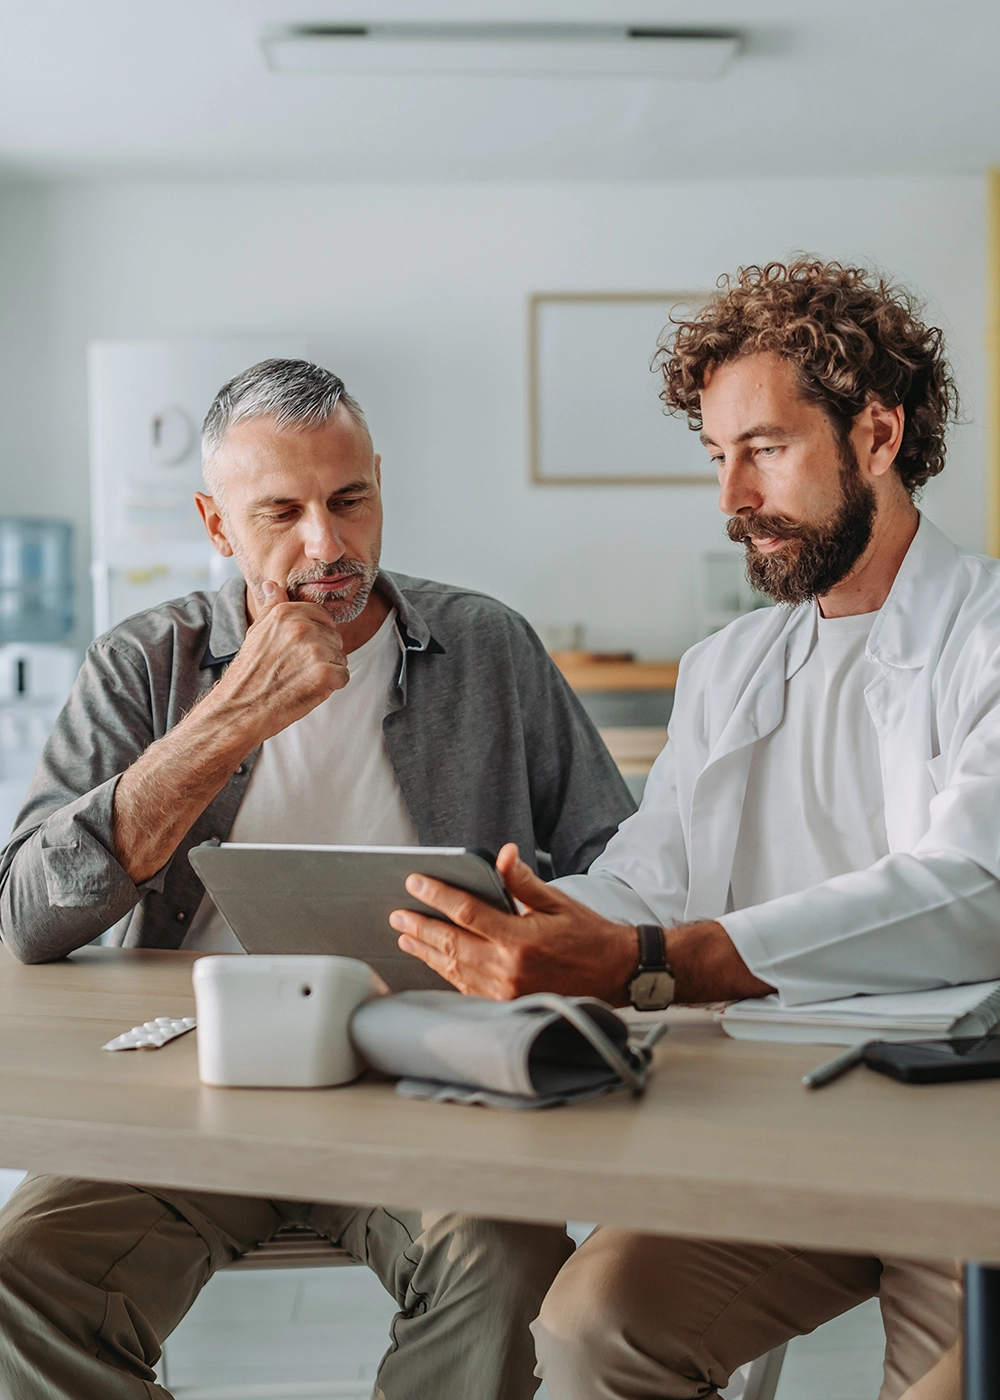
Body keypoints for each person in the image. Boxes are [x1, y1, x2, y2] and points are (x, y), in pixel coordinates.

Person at [390, 261, 998, 1399]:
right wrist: (537, 924)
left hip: (969, 1136)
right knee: (590, 1326)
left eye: (763, 448)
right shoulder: (728, 665)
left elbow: (971, 888)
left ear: (876, 433)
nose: (732, 497)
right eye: (717, 457)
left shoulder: (990, 637)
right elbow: (653, 867)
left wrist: (657, 962)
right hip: (765, 1122)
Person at [0, 358, 636, 1400]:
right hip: (186, 1093)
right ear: (216, 524)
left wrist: (546, 932)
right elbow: (27, 915)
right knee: (18, 1279)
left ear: (380, 482)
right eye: (280, 512)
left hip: (429, 1081)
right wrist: (228, 718)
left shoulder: (488, 647)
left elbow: (622, 866)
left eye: (349, 500)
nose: (327, 545)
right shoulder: (142, 663)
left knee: (512, 1271)